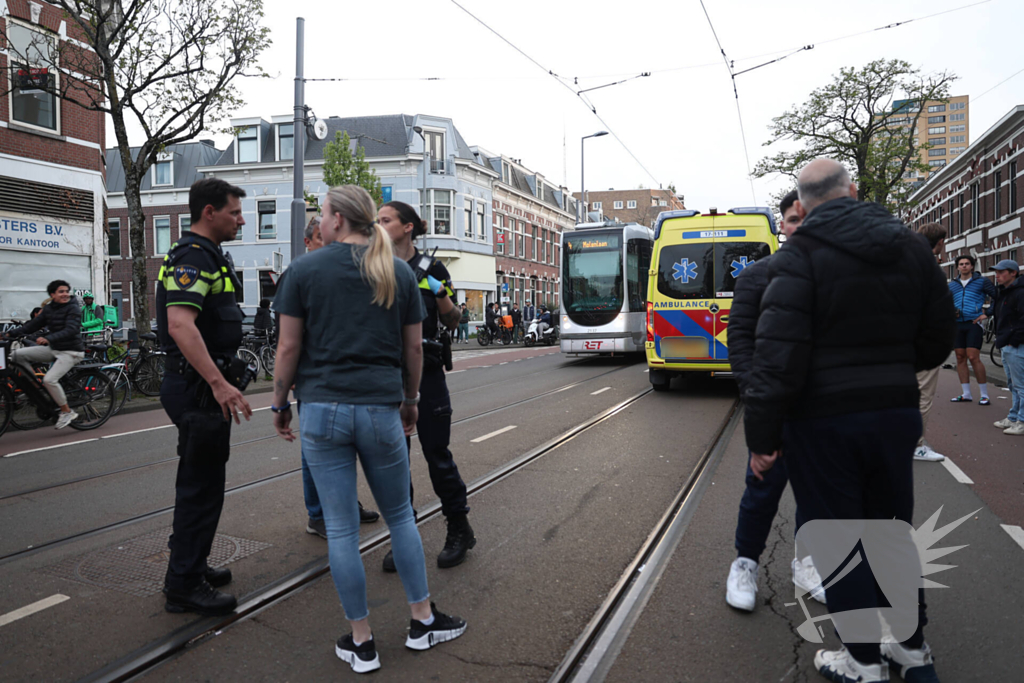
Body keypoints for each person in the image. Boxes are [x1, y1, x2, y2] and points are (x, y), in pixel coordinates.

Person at [743, 159, 955, 682]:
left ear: (804, 202)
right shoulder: (909, 247)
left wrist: (763, 439)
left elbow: (777, 357)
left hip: (823, 424)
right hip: (894, 414)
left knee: (839, 540)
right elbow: (937, 337)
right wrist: (890, 370)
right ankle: (912, 651)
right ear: (854, 191)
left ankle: (862, 660)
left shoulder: (801, 257)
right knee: (890, 533)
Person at [273, 186, 466, 673]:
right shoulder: (398, 272)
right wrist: (411, 400)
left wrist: (279, 404)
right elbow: (415, 350)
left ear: (337, 219)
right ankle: (422, 620)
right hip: (381, 407)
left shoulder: (303, 270)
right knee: (400, 515)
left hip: (321, 410)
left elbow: (289, 349)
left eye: (322, 214)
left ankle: (361, 641)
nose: (319, 221)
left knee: (340, 529)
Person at [724, 189, 825, 613]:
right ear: (782, 226)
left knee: (817, 495)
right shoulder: (755, 277)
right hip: (775, 408)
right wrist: (756, 395)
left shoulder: (837, 276)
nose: (800, 227)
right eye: (793, 220)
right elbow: (741, 344)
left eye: (809, 219)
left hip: (823, 410)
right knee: (762, 490)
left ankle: (807, 563)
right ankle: (744, 564)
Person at [157, 178, 253, 616]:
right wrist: (218, 383)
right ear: (209, 212)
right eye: (234, 212)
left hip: (200, 389)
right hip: (196, 391)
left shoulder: (210, 256)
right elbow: (181, 325)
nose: (241, 218)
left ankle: (192, 564)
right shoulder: (193, 258)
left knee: (205, 483)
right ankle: (183, 584)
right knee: (200, 488)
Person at [378, 200, 476, 571]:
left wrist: (441, 295)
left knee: (437, 455)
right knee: (394, 463)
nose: (378, 225)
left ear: (407, 227)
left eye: (385, 220)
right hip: (387, 377)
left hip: (428, 375)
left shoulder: (432, 268)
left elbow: (453, 322)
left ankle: (459, 527)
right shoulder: (376, 267)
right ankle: (403, 538)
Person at [279, 215, 380, 537]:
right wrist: (288, 379)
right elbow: (286, 337)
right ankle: (319, 514)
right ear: (309, 242)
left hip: (341, 378)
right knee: (315, 451)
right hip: (313, 380)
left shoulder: (340, 271)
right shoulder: (299, 274)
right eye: (323, 239)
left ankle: (346, 504)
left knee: (342, 447)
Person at [4, 280, 85, 429]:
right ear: (52, 294)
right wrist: (8, 334)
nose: (65, 294)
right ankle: (34, 386)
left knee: (49, 380)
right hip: (54, 349)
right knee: (16, 356)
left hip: (71, 351)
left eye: (67, 291)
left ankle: (67, 412)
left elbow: (72, 329)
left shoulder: (73, 308)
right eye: (61, 291)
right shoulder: (49, 309)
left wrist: (48, 338)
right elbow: (32, 326)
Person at [911, 223, 950, 461]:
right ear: (939, 242)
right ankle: (916, 445)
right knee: (923, 395)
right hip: (922, 342)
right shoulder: (927, 266)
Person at [949, 254, 997, 404]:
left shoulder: (981, 282)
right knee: (960, 357)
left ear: (972, 266)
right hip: (957, 324)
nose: (964, 266)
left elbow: (997, 296)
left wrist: (988, 313)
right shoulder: (952, 285)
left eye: (967, 264)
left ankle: (984, 395)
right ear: (957, 267)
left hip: (973, 323)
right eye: (961, 264)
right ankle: (966, 394)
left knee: (973, 357)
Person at [992, 259, 1024, 436]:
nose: (997, 275)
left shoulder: (1020, 293)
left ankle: (1022, 420)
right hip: (1007, 343)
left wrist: (1014, 339)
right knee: (1013, 384)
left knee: (1021, 385)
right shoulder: (1003, 292)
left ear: (1013, 273)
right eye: (996, 272)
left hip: (1016, 344)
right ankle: (1014, 417)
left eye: (1001, 272)